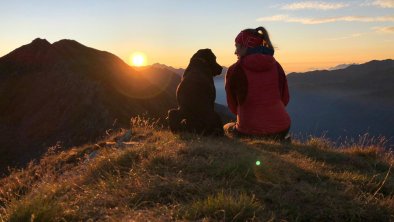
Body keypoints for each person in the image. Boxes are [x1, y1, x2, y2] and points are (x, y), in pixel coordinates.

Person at [224, 26, 291, 141]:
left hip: (249, 131)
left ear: (246, 47)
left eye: (237, 46)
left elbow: (233, 107)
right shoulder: (276, 66)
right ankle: (282, 140)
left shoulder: (235, 70)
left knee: (227, 127)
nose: (235, 51)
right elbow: (284, 99)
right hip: (282, 127)